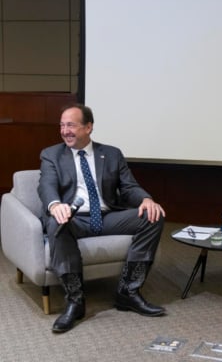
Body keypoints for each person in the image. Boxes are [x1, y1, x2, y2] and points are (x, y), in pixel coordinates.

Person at [38, 104, 166, 333]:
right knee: (56, 223)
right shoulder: (51, 154)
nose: (65, 131)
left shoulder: (112, 154)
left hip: (107, 216)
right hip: (74, 218)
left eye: (71, 125)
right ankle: (75, 301)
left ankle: (128, 292)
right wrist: (55, 205)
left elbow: (129, 187)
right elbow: (46, 184)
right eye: (62, 125)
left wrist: (146, 199)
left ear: (88, 127)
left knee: (152, 216)